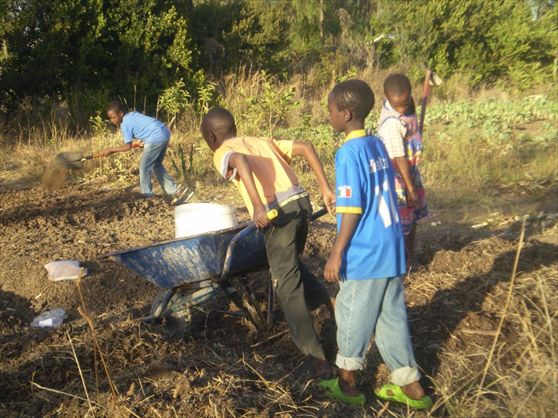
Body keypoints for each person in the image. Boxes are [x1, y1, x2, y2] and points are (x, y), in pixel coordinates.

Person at [319, 79, 432, 410]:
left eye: (331, 110)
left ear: (346, 113)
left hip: (365, 253)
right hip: (391, 247)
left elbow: (352, 209)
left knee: (352, 314)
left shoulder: (348, 153)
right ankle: (412, 387)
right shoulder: (377, 145)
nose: (329, 115)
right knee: (390, 317)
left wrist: (336, 254)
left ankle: (347, 384)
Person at [200, 107, 336, 377]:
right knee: (290, 267)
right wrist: (325, 188)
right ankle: (333, 307)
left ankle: (316, 358)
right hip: (299, 205)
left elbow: (239, 161)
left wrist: (259, 206)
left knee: (286, 284)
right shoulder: (260, 141)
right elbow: (306, 147)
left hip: (277, 215)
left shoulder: (221, 152)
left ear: (211, 137)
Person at [377, 74, 429, 271]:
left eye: (406, 103)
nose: (403, 109)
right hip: (399, 178)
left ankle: (409, 254)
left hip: (410, 173)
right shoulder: (391, 124)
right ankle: (403, 260)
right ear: (387, 99)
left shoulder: (407, 105)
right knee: (402, 221)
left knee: (412, 217)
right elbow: (399, 158)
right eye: (398, 106)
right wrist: (409, 187)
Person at [102, 101, 189, 204]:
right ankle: (175, 191)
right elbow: (145, 127)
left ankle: (147, 197)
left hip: (155, 137)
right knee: (156, 165)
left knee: (144, 167)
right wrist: (140, 142)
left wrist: (111, 149)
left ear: (121, 113)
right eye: (110, 118)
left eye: (113, 117)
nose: (112, 120)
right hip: (164, 132)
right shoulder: (132, 114)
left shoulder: (124, 124)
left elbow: (127, 147)